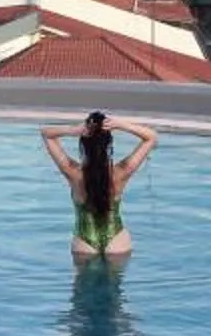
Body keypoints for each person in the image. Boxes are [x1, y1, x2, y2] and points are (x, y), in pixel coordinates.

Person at [41, 112, 157, 262]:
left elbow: (46, 134)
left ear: (82, 143)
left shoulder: (73, 173)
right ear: (109, 145)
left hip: (84, 243)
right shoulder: (121, 172)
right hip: (117, 241)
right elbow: (151, 137)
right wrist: (121, 125)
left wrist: (73, 130)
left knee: (85, 285)